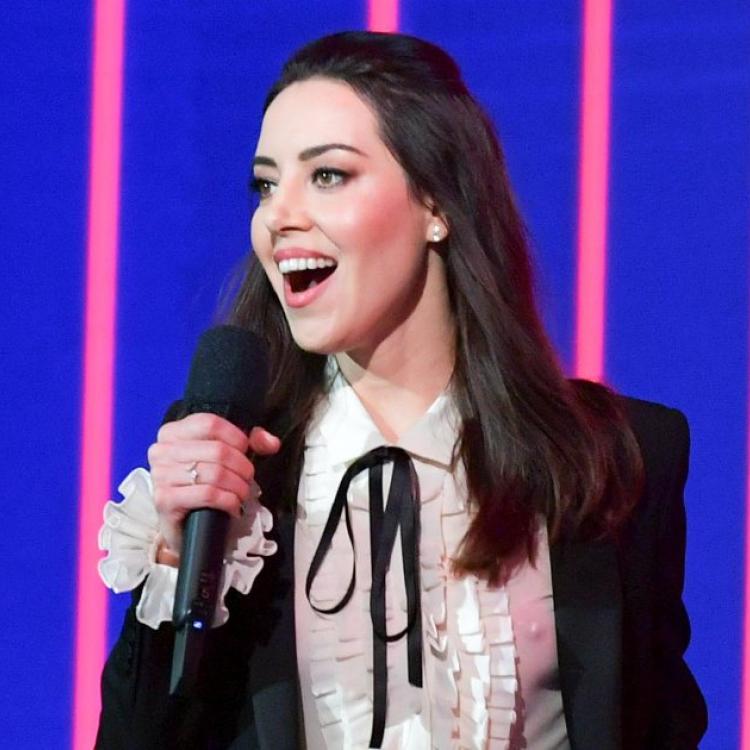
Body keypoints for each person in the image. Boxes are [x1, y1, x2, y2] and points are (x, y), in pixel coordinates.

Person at [96, 31, 707, 749]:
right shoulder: (243, 466)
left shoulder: (613, 457)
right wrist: (180, 560)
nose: (278, 216)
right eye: (265, 184)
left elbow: (659, 726)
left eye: (328, 175)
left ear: (437, 202)